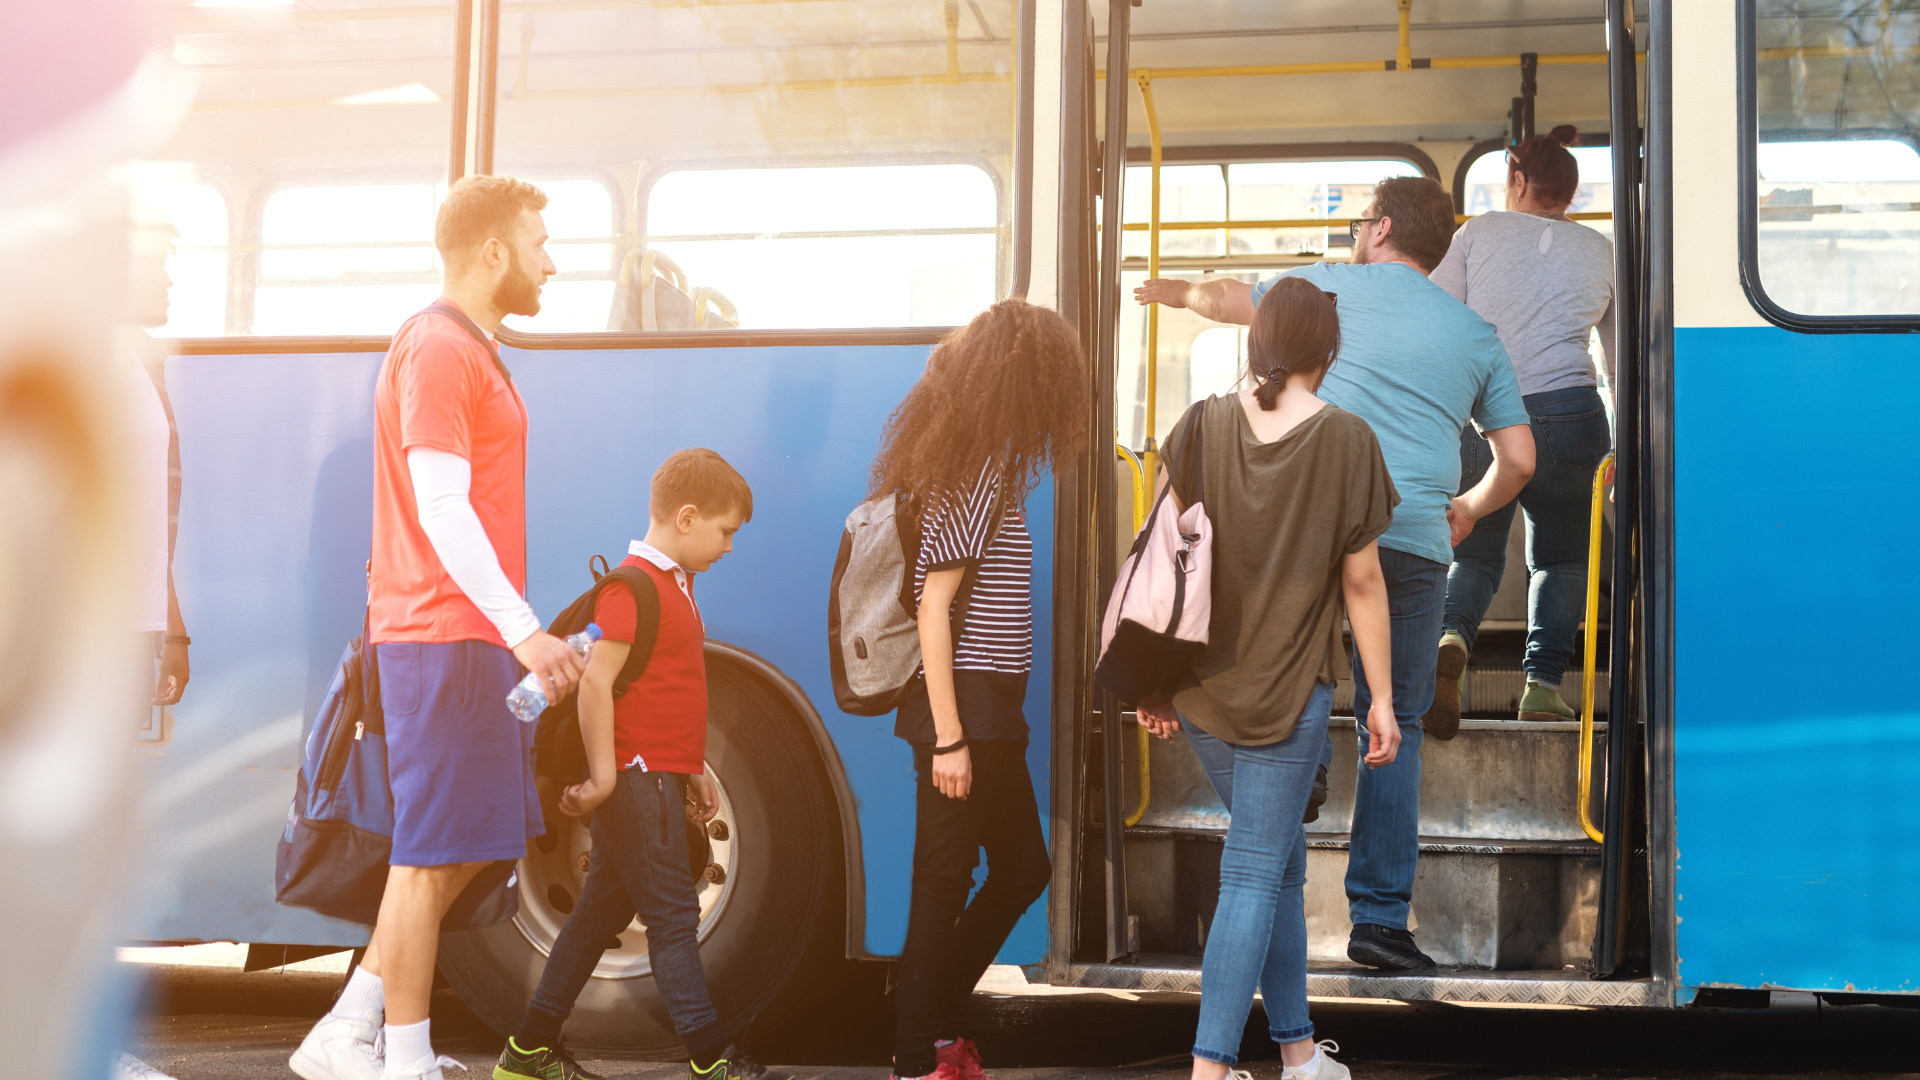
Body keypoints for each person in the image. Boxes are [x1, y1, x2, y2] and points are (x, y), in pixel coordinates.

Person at [1134, 176, 1535, 971]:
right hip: (1415, 536)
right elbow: (1519, 458)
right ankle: (1380, 922)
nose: (1357, 233)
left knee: (1300, 681)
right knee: (1400, 721)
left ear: (1381, 229)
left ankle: (1305, 774)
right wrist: (1467, 508)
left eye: (1360, 222)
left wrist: (1171, 289)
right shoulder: (1476, 332)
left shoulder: (1325, 290)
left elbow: (1223, 298)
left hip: (1310, 528)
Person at [292, 175, 586, 1080]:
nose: (551, 261)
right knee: (427, 859)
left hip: (467, 639)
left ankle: (349, 1028)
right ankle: (403, 1059)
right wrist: (527, 629)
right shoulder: (437, 347)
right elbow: (443, 505)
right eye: (539, 243)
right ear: (492, 251)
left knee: (478, 842)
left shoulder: (474, 350)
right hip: (440, 636)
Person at [1136, 278, 1398, 1080]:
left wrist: (1154, 682)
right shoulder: (1348, 440)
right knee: (1253, 868)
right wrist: (1383, 700)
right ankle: (1209, 1072)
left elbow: (1163, 561)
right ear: (1330, 351)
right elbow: (1362, 585)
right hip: (1289, 697)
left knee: (1277, 860)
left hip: (1204, 692)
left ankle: (1296, 1052)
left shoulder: (1201, 425)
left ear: (1256, 344)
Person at [494, 448, 784, 1080]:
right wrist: (602, 778)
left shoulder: (673, 586)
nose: (729, 546)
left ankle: (525, 1054)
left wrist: (693, 767)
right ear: (686, 517)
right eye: (725, 531)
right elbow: (598, 686)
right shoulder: (633, 589)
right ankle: (711, 1062)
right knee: (674, 919)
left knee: (597, 915)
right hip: (632, 778)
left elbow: (666, 694)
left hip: (655, 772)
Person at [871, 299, 1087, 1080]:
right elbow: (933, 606)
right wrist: (950, 735)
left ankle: (928, 1020)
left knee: (1023, 869)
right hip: (963, 708)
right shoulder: (975, 473)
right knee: (941, 881)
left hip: (992, 708)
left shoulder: (989, 465)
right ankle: (915, 1055)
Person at [1425, 126, 1616, 730]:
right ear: (1571, 193)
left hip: (1486, 413)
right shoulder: (1601, 250)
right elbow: (1618, 355)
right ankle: (1542, 686)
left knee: (1474, 551)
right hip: (1573, 414)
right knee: (1561, 560)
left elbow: (1436, 315)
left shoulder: (1478, 232)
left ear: (1516, 180)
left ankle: (1450, 642)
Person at [111, 202, 192, 1080]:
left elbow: (152, 507)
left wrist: (170, 624)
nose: (171, 277)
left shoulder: (140, 365)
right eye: (156, 261)